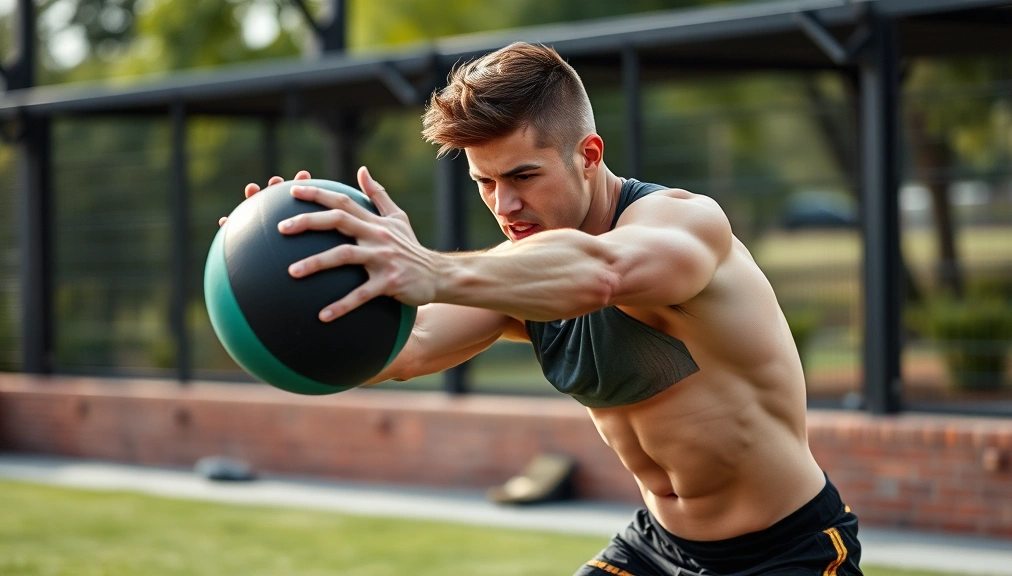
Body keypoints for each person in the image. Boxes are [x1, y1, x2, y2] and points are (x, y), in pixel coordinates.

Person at [225, 42, 863, 576]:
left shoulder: (684, 224)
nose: (504, 206)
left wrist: (433, 269)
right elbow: (406, 348)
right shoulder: (519, 276)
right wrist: (284, 300)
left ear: (589, 155)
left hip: (787, 552)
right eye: (485, 182)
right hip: (658, 547)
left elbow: (601, 273)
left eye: (523, 177)